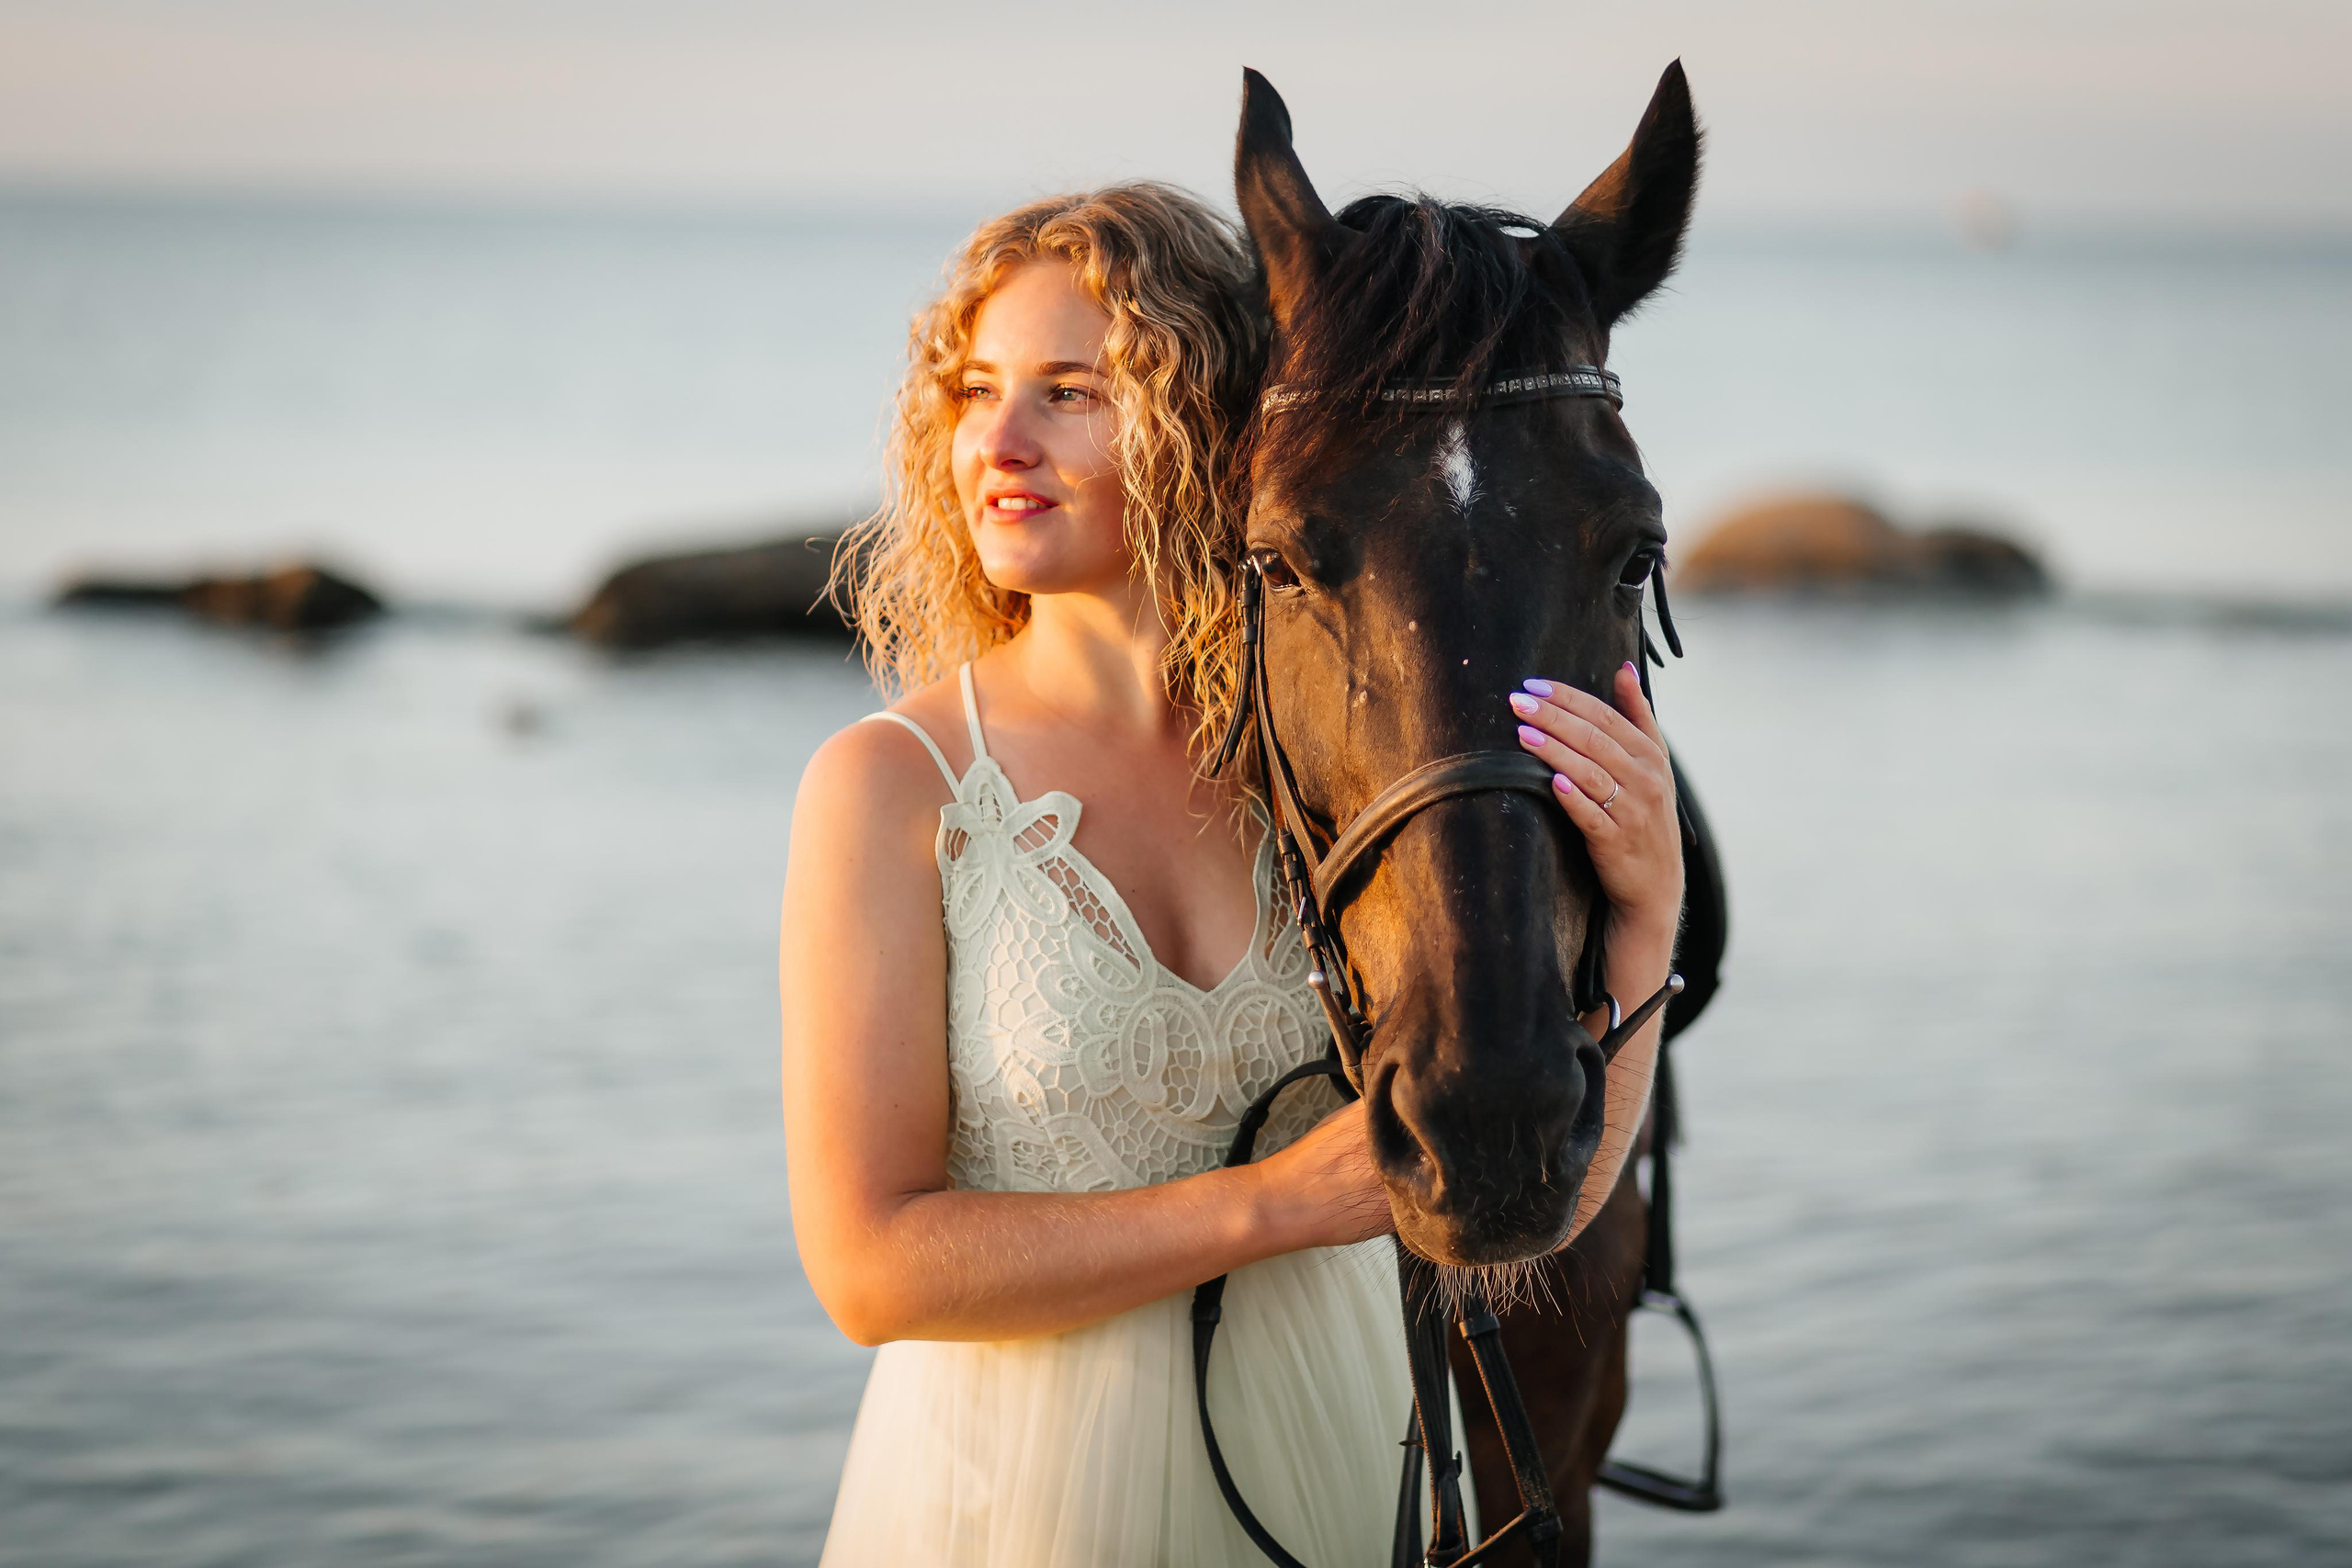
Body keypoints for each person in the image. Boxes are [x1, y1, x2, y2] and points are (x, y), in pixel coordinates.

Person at [778, 183, 1684, 1566]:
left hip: (1326, 1467)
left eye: (1070, 392)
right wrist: (1278, 1206)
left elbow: (1534, 1200)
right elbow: (867, 1267)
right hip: (1012, 1502)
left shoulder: (1316, 795)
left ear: (1199, 412)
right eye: (972, 390)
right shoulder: (891, 785)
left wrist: (1645, 922)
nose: (998, 442)